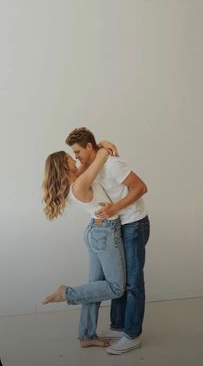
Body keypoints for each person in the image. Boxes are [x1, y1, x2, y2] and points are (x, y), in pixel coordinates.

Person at [65, 127, 150, 355]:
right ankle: (119, 326)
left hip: (133, 224)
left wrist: (115, 208)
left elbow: (141, 187)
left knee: (133, 283)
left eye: (77, 151)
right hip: (118, 226)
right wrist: (103, 143)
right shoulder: (95, 166)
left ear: (89, 147)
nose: (76, 157)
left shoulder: (112, 165)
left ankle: (132, 335)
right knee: (119, 279)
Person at [42, 146, 126, 349]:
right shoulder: (79, 184)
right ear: (65, 166)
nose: (75, 159)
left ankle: (87, 335)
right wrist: (103, 146)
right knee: (116, 287)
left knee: (94, 287)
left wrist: (100, 145)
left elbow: (89, 163)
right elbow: (99, 159)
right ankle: (67, 293)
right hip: (104, 233)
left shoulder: (75, 181)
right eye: (71, 158)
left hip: (96, 232)